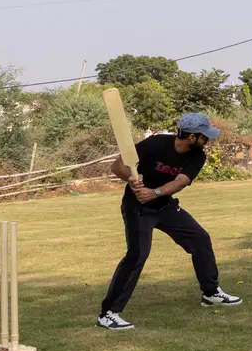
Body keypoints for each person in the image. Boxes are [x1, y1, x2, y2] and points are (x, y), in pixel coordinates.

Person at [97, 111, 242, 329]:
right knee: (137, 255)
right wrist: (130, 178)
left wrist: (153, 193)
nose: (208, 140)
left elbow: (181, 181)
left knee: (200, 239)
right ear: (192, 137)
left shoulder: (197, 156)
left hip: (164, 206)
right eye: (204, 136)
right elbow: (117, 165)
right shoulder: (156, 144)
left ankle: (210, 293)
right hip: (137, 208)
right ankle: (108, 314)